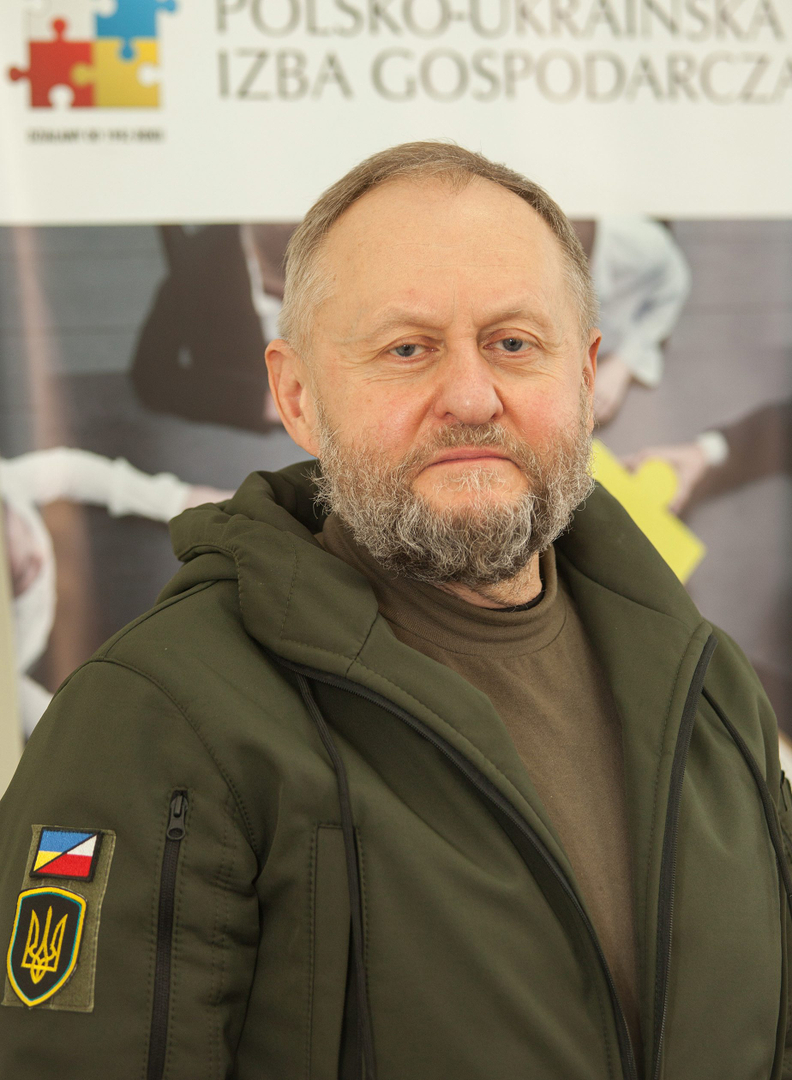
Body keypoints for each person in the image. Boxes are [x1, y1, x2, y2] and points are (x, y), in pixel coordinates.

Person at [0, 143, 789, 1080]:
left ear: (585, 378)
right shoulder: (153, 720)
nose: (470, 396)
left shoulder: (711, 690)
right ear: (297, 396)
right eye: (407, 349)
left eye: (513, 343)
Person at [0, 447, 231, 738]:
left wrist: (177, 498)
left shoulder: (8, 482)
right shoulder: (12, 656)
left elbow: (68, 471)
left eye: (14, 525)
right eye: (22, 572)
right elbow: (45, 718)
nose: (36, 556)